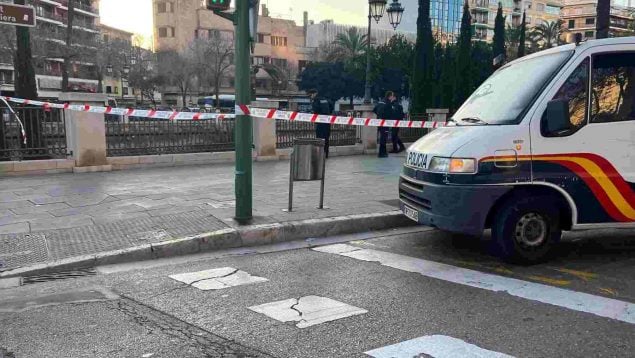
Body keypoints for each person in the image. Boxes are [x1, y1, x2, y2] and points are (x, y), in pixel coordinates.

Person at [307, 89, 333, 158]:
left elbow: (316, 109)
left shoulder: (316, 100)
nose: (310, 97)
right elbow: (331, 106)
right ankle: (326, 154)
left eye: (310, 95)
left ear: (314, 94)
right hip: (327, 121)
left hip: (320, 122)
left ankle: (320, 154)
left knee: (319, 138)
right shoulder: (325, 99)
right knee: (326, 138)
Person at [373, 91, 394, 158]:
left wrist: (379, 116)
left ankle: (383, 152)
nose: (392, 97)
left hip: (379, 122)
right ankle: (382, 153)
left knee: (382, 137)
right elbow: (390, 114)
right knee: (383, 138)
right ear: (390, 96)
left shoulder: (380, 102)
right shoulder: (388, 103)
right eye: (392, 96)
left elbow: (374, 110)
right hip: (385, 123)